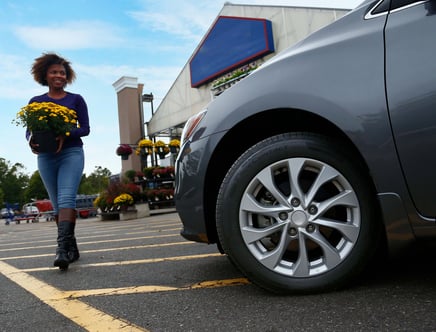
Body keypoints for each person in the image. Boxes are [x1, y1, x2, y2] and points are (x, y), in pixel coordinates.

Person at [28, 52, 90, 270]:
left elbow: (85, 129)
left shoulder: (76, 100)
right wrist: (32, 142)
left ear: (67, 76)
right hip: (46, 157)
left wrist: (66, 134)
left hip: (71, 153)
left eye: (62, 73)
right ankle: (72, 247)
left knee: (66, 199)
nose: (59, 76)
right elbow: (29, 132)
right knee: (56, 204)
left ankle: (62, 250)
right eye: (54, 72)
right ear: (45, 75)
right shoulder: (36, 102)